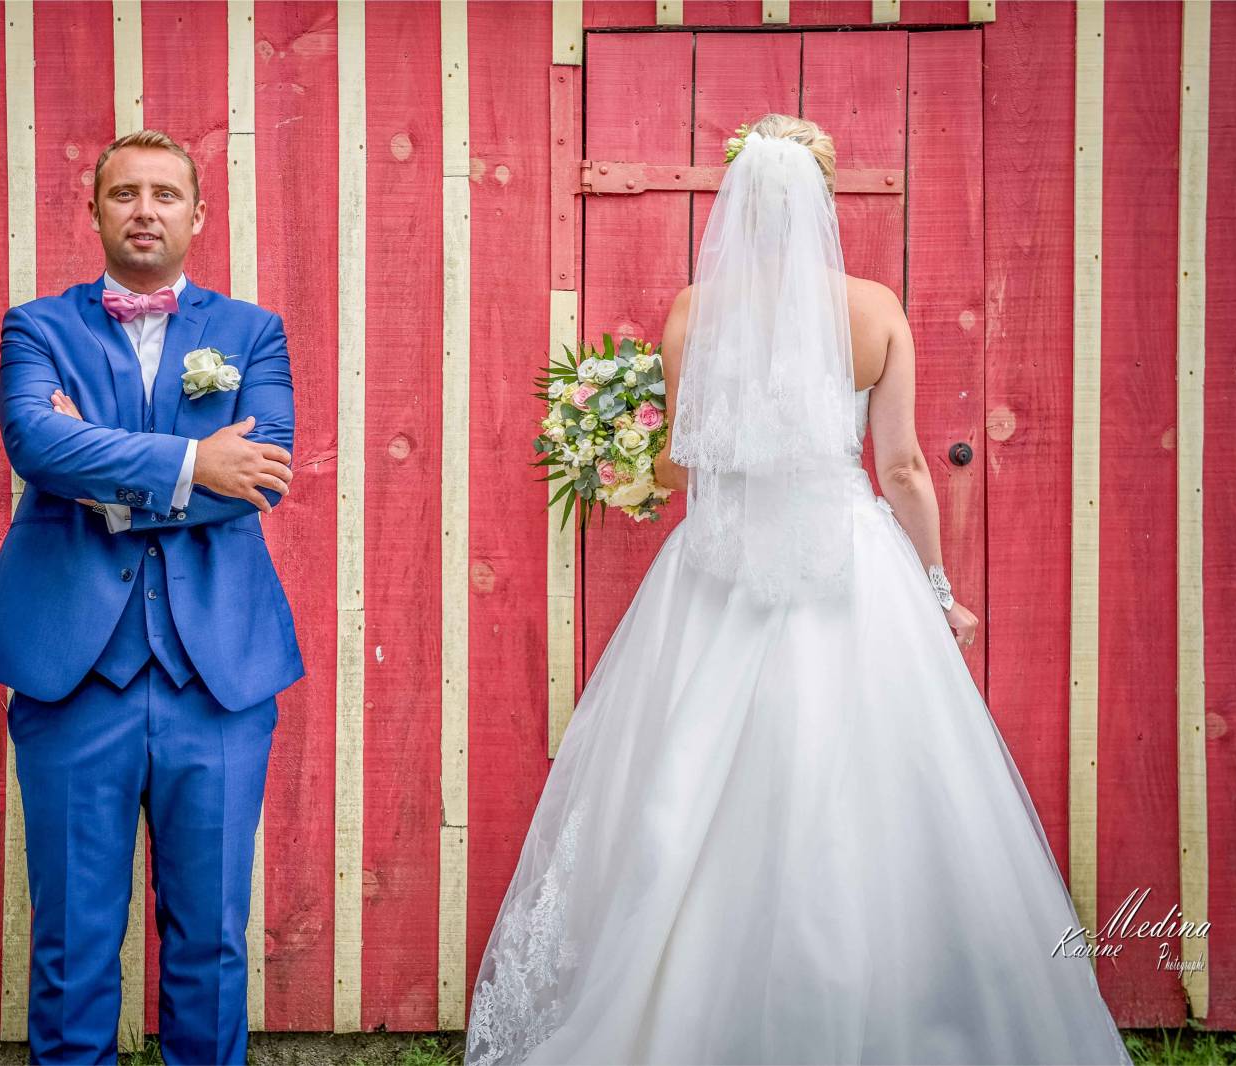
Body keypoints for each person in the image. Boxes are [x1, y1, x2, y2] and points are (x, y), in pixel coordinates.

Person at [464, 115, 1132, 1065]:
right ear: (823, 200)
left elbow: (681, 471)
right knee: (867, 786)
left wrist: (616, 461)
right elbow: (900, 468)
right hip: (846, 568)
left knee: (685, 786)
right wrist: (939, 589)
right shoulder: (873, 308)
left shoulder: (696, 311)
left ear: (735, 201)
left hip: (715, 571)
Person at [0, 128, 303, 1065]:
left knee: (213, 939)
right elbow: (36, 445)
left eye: (164, 194)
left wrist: (100, 473)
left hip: (218, 674)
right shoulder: (38, 327)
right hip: (73, 671)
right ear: (97, 209)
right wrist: (196, 462)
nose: (144, 210)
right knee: (71, 940)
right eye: (124, 194)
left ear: (198, 215)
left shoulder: (250, 332)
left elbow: (263, 472)